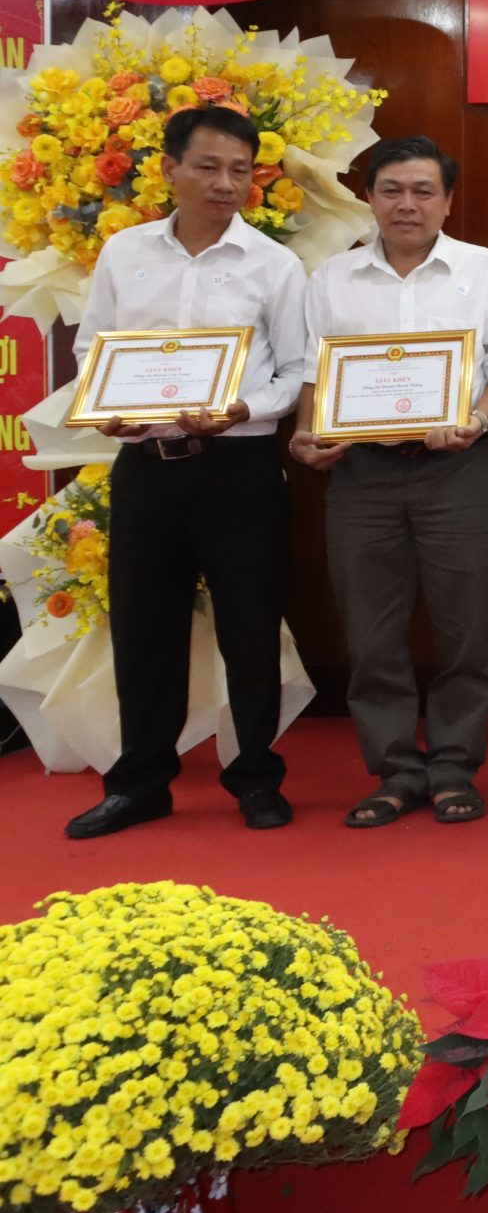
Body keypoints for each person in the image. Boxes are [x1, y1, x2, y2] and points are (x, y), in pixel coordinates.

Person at [64, 107, 314, 839]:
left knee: (250, 626)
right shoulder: (124, 252)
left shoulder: (274, 264)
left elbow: (297, 370)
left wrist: (243, 409)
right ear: (169, 169)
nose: (225, 183)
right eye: (208, 167)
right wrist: (107, 407)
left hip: (238, 468)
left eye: (240, 170)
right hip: (146, 465)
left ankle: (256, 777)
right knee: (143, 628)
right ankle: (140, 783)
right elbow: (92, 348)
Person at [290, 137, 488, 827]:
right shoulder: (332, 280)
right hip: (362, 478)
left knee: (467, 632)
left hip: (459, 472)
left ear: (447, 201)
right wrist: (308, 434)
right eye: (392, 190)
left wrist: (476, 420)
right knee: (371, 637)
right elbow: (315, 376)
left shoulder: (485, 272)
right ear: (369, 197)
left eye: (424, 191)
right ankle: (395, 770)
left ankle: (454, 766)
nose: (407, 204)